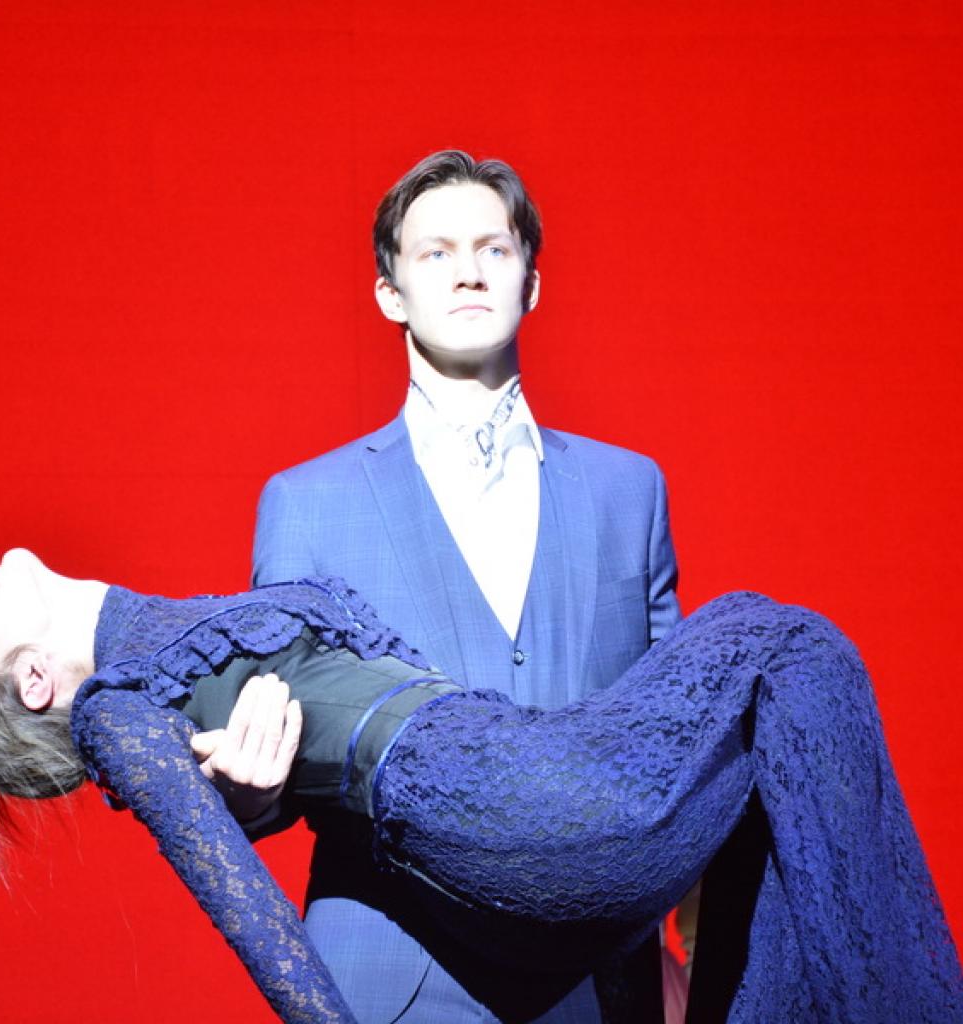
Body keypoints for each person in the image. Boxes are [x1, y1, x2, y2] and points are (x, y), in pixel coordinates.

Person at [0, 548, 963, 1024]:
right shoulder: (115, 708)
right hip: (511, 802)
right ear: (34, 683)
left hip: (516, 769)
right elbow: (248, 914)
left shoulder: (165, 640)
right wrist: (254, 806)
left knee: (769, 745)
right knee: (783, 649)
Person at [247, 149, 680, 1021]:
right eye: (436, 252)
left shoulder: (628, 492)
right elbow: (272, 767)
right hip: (391, 978)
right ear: (390, 293)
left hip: (596, 986)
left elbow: (674, 739)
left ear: (531, 283)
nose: (469, 272)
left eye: (493, 249)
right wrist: (246, 785)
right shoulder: (308, 504)